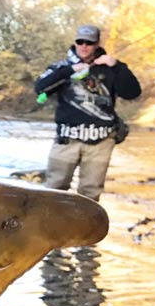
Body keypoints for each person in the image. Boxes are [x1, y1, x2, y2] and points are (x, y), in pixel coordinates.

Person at [34, 24, 141, 201]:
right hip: (67, 138)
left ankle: (84, 228)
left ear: (97, 44)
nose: (84, 46)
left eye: (89, 43)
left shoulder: (110, 68)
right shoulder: (61, 67)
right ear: (75, 42)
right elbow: (40, 88)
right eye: (80, 42)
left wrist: (116, 66)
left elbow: (132, 93)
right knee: (54, 190)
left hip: (101, 141)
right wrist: (70, 70)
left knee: (90, 194)